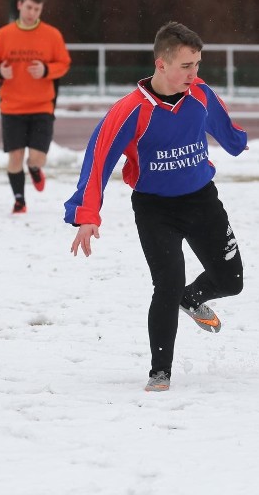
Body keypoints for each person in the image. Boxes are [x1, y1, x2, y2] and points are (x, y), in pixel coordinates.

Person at [64, 22, 248, 392]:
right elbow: (98, 161)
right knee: (166, 283)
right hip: (155, 210)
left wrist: (234, 141)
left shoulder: (199, 94)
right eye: (186, 66)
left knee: (232, 281)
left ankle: (192, 298)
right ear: (161, 64)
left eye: (197, 64)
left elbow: (221, 121)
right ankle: (159, 370)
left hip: (201, 200)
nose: (194, 73)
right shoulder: (131, 110)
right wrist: (86, 214)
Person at [0, 0, 71, 214]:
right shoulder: (3, 35)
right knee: (15, 157)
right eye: (29, 7)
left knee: (37, 158)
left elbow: (63, 63)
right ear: (20, 5)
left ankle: (34, 168)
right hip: (12, 106)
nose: (32, 12)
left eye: (37, 9)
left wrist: (45, 70)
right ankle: (19, 200)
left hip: (42, 105)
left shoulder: (52, 35)